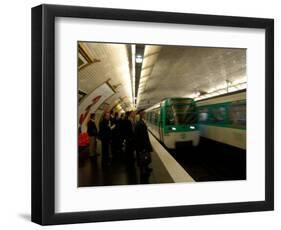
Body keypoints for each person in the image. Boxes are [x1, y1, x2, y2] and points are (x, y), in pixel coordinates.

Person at [135, 110, 153, 176]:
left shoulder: (140, 123)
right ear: (142, 115)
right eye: (145, 115)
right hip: (142, 144)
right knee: (143, 157)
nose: (146, 116)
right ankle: (143, 172)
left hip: (142, 144)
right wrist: (144, 146)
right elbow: (142, 136)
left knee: (145, 157)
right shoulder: (141, 124)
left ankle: (146, 168)